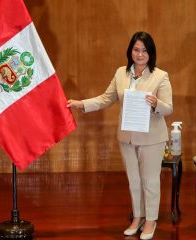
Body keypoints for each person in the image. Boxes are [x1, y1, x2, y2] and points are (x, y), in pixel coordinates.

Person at [67, 31, 172, 240]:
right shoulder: (120, 74)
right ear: (130, 51)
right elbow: (106, 99)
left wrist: (155, 104)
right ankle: (138, 217)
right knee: (133, 180)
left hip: (152, 138)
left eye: (144, 50)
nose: (140, 54)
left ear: (151, 53)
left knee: (150, 180)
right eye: (136, 49)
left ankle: (151, 220)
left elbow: (168, 108)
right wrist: (81, 104)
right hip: (127, 137)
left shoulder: (160, 76)